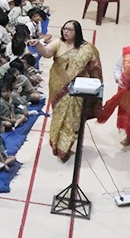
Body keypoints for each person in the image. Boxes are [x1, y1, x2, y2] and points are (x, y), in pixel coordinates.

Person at [34, 20, 103, 162]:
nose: (66, 32)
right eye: (64, 28)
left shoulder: (88, 49)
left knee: (72, 119)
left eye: (70, 29)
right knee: (58, 116)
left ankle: (65, 147)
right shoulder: (58, 43)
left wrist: (96, 88)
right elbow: (46, 53)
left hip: (77, 89)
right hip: (58, 87)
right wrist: (38, 45)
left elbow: (94, 69)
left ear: (77, 32)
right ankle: (56, 142)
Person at [97, 38, 130, 147]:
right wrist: (118, 78)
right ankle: (129, 135)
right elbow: (117, 67)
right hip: (126, 90)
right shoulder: (126, 52)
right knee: (128, 113)